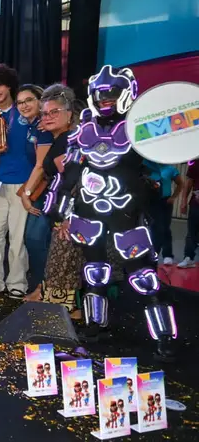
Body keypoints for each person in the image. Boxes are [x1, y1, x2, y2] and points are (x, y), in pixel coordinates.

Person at [48, 65, 177, 361]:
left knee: (143, 275)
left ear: (126, 94)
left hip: (125, 210)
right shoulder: (84, 129)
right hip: (89, 209)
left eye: (112, 94)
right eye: (100, 94)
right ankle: (95, 327)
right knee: (94, 272)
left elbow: (161, 165)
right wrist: (59, 206)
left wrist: (154, 185)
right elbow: (70, 172)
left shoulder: (139, 128)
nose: (105, 100)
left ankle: (164, 335)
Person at [0, 65, 53, 299]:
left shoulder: (29, 116)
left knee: (18, 237)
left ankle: (17, 282)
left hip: (23, 183)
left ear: (9, 85)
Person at [34, 84, 83, 316]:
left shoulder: (68, 141)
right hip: (63, 211)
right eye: (44, 113)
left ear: (69, 114)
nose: (48, 117)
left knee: (64, 261)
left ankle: (64, 313)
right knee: (65, 261)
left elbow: (74, 182)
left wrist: (67, 217)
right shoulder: (60, 139)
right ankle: (66, 311)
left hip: (70, 214)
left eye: (55, 112)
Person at [144, 160, 185, 265]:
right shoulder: (147, 167)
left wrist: (173, 197)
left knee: (166, 228)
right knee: (157, 229)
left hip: (166, 202)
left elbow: (180, 184)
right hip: (152, 202)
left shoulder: (170, 169)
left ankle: (168, 255)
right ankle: (154, 254)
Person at [179, 159, 199, 268]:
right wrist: (183, 201)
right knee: (191, 232)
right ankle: (188, 258)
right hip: (196, 204)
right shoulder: (196, 162)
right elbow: (189, 182)